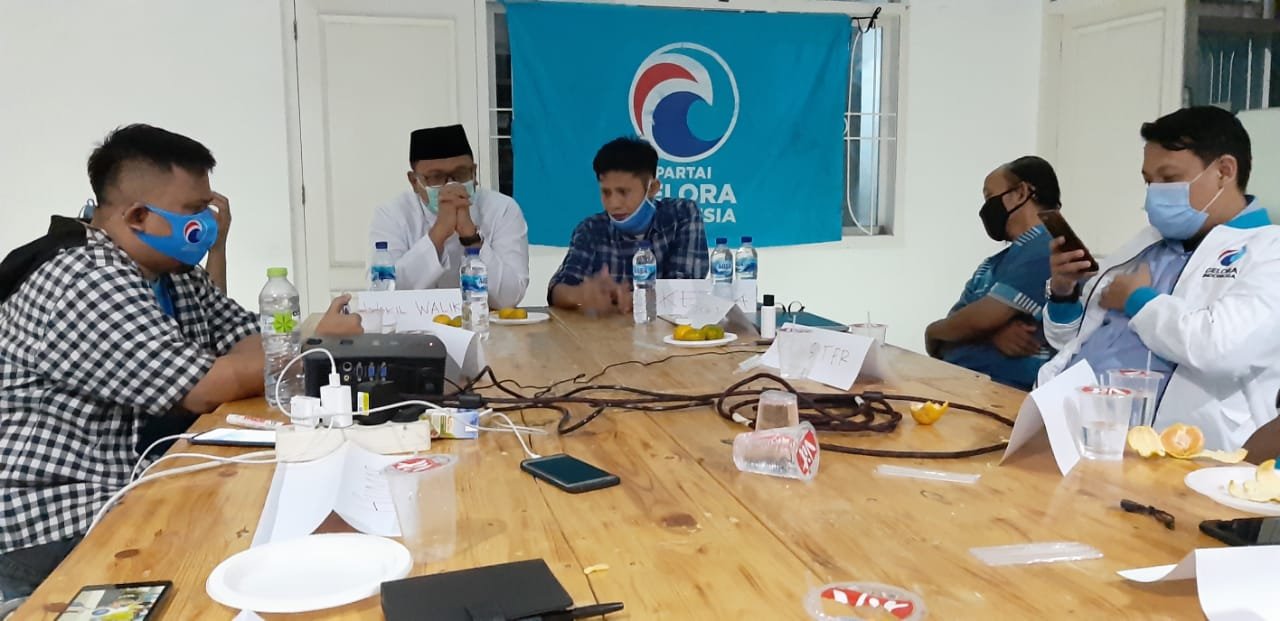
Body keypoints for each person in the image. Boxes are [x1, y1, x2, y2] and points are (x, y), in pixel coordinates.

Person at [0, 124, 360, 601]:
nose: (209, 224)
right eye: (194, 210)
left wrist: (263, 357)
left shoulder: (172, 275)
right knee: (243, 554)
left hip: (133, 481)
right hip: (57, 516)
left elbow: (252, 339)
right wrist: (313, 343)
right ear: (138, 216)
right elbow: (207, 386)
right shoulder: (84, 278)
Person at [1041, 106, 1280, 451]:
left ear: (1224, 171)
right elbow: (1071, 340)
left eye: (1168, 179)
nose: (1154, 193)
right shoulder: (1148, 244)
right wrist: (1063, 293)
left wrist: (1138, 301)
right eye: (1148, 181)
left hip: (1178, 453)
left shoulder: (1268, 250)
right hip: (1075, 426)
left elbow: (1219, 349)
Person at [924, 156, 1059, 390]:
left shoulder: (1046, 249)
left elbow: (972, 323)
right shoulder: (993, 264)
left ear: (1021, 193)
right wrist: (988, 336)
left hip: (1004, 394)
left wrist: (933, 330)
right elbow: (947, 336)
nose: (986, 209)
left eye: (989, 197)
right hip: (962, 385)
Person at [368, 124, 530, 308]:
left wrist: (470, 236)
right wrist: (439, 233)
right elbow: (383, 296)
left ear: (474, 173)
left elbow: (510, 298)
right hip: (413, 325)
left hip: (484, 321)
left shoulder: (502, 209)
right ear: (414, 181)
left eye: (460, 174)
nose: (450, 185)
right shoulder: (391, 215)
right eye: (436, 177)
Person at [548, 137, 708, 313]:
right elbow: (558, 289)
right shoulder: (591, 229)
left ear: (652, 188)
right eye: (606, 192)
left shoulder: (682, 214)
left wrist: (634, 299)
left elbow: (685, 287)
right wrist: (581, 294)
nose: (614, 204)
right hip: (607, 329)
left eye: (623, 192)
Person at [81, 194, 231, 293]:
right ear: (138, 216)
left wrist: (216, 247)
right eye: (193, 208)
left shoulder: (177, 271)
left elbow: (219, 323)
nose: (203, 220)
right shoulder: (97, 277)